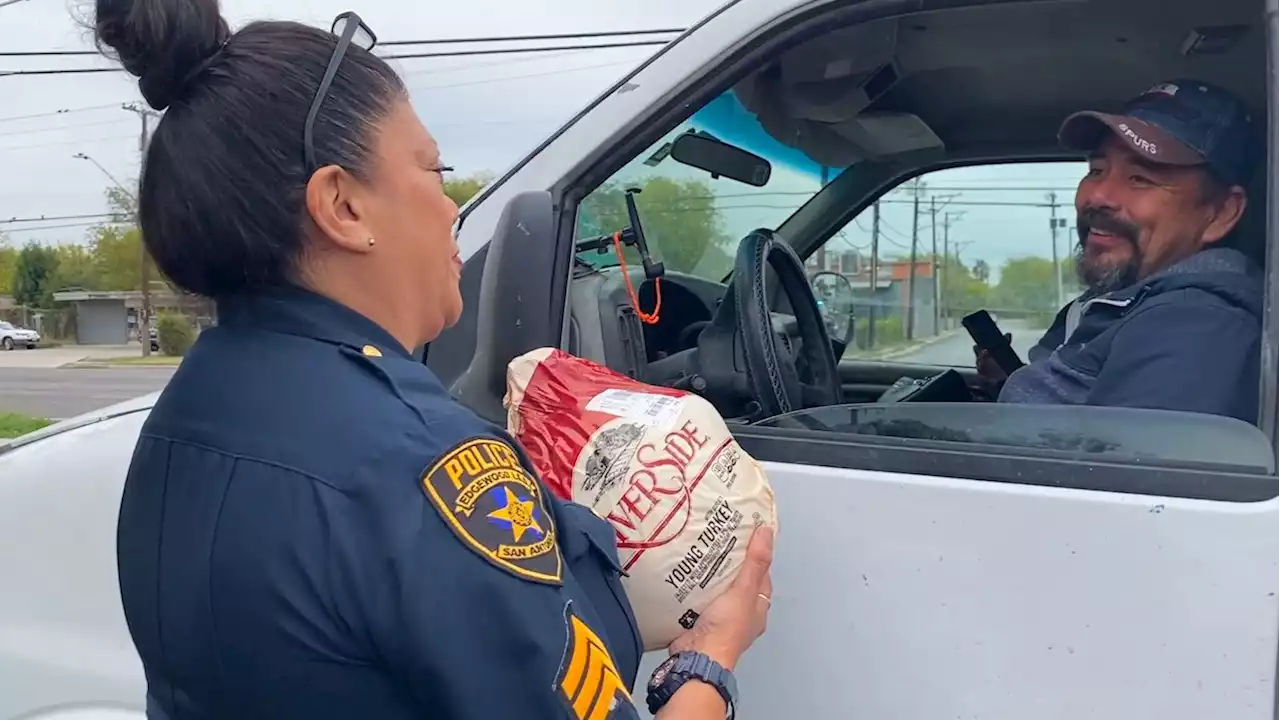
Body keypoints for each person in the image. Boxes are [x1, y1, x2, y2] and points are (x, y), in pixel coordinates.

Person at [96, 1, 774, 718]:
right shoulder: (421, 466)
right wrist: (710, 662)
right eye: (431, 168)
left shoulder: (182, 417)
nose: (451, 206)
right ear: (343, 207)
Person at [976, 79, 1263, 423]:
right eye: (1097, 170)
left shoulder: (1193, 323)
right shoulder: (1122, 301)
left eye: (1140, 178)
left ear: (1221, 213)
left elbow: (1131, 474)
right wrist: (1008, 379)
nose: (1098, 197)